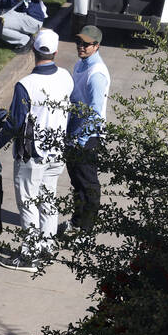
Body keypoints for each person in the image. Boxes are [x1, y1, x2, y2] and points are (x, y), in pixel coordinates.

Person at [0, 29, 73, 272]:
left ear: (33, 50)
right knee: (48, 198)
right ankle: (47, 246)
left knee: (29, 202)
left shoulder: (26, 84)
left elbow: (15, 123)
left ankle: (30, 254)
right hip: (57, 150)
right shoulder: (65, 77)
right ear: (55, 51)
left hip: (32, 154)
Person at [62, 24, 110, 238]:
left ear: (97, 46)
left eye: (86, 44)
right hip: (73, 134)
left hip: (87, 138)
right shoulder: (80, 65)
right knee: (77, 182)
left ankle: (87, 230)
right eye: (78, 42)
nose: (81, 47)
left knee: (89, 184)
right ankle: (77, 221)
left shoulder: (97, 74)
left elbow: (95, 113)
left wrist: (79, 141)